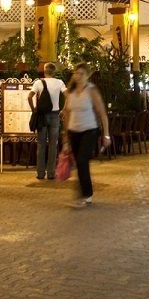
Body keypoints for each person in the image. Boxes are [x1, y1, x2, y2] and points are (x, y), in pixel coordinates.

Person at [61, 63, 110, 207]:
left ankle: (86, 194)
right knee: (79, 162)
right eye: (76, 73)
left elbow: (102, 113)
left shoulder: (91, 91)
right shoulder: (70, 92)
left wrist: (106, 135)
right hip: (73, 131)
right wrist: (65, 136)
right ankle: (84, 192)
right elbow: (67, 113)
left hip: (89, 130)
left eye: (82, 73)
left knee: (82, 160)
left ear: (88, 75)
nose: (78, 76)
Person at [27, 62, 67, 181]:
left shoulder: (38, 82)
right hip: (55, 115)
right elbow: (68, 95)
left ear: (45, 71)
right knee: (53, 145)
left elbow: (29, 96)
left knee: (41, 144)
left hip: (42, 116)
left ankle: (40, 173)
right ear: (54, 72)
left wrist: (34, 109)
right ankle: (51, 173)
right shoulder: (59, 82)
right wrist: (63, 109)